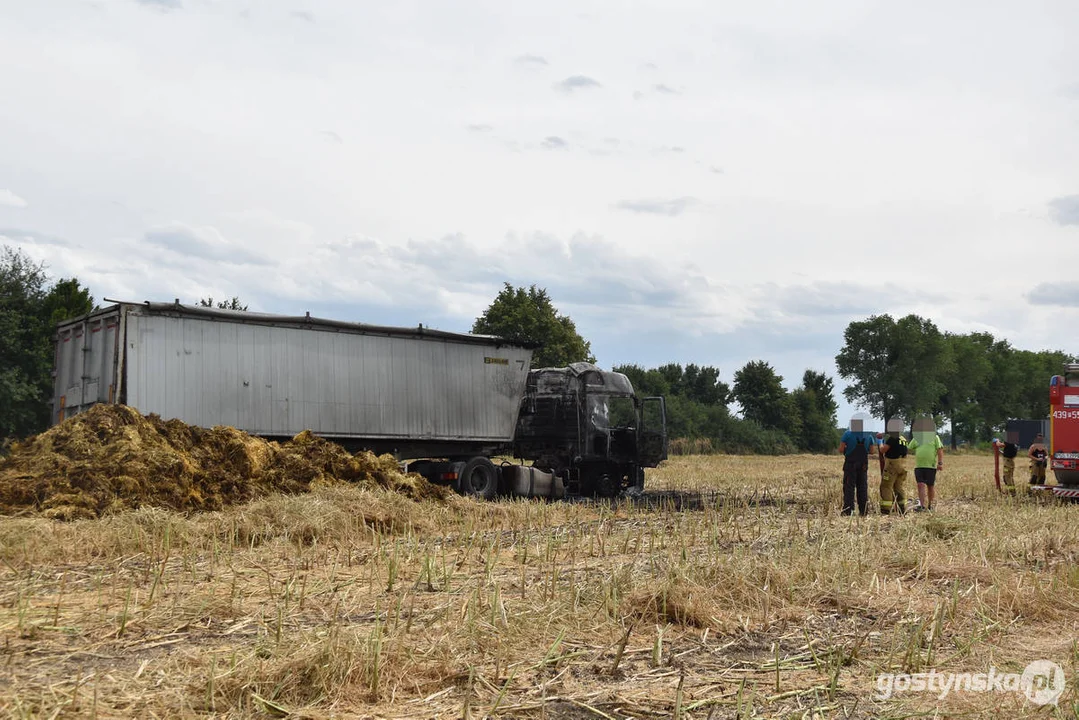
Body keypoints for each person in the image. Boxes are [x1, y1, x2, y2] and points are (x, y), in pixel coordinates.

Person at [838, 415, 880, 516]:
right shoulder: (868, 436)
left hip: (850, 464)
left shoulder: (847, 434)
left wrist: (848, 448)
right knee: (862, 487)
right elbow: (872, 451)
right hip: (863, 465)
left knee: (849, 487)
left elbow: (841, 450)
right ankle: (863, 511)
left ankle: (848, 511)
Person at [907, 415, 944, 511]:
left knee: (930, 486)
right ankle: (922, 506)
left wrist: (940, 463)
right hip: (919, 466)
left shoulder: (935, 437)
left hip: (930, 466)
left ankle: (931, 506)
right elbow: (909, 447)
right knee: (920, 485)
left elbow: (940, 450)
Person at [879, 419, 908, 514]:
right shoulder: (903, 439)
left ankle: (886, 509)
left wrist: (880, 442)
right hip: (902, 465)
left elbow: (883, 450)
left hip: (892, 465)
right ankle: (902, 508)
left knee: (886, 486)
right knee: (898, 487)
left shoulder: (892, 438)